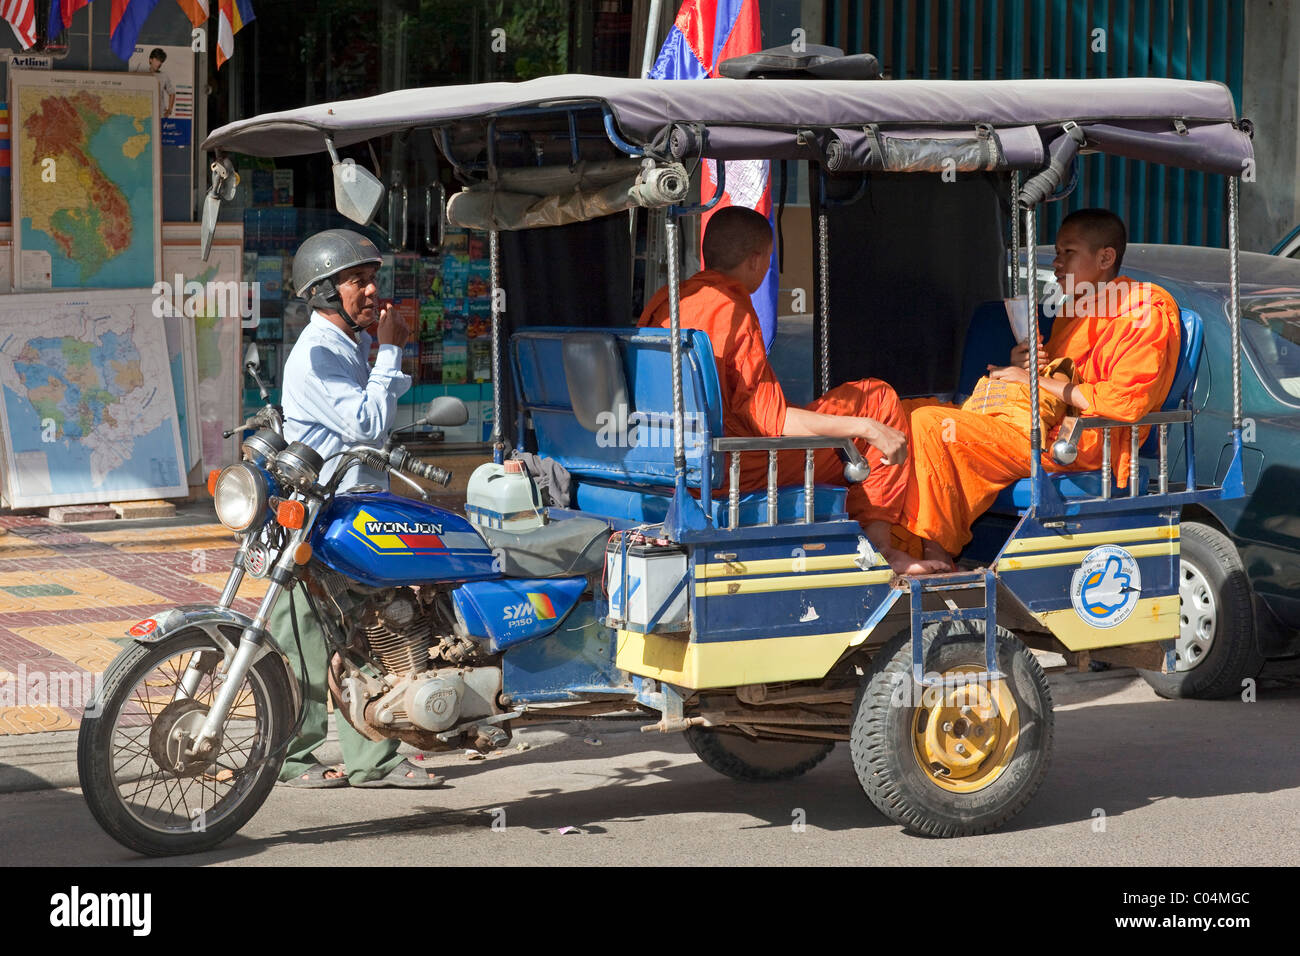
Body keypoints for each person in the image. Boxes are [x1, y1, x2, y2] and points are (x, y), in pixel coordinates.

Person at [639, 206, 944, 574]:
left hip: (674, 458)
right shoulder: (730, 306)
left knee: (850, 408)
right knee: (877, 399)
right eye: (768, 261)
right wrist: (865, 427)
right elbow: (775, 423)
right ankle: (882, 549)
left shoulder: (670, 298)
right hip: (734, 466)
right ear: (756, 261)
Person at [893, 208, 1182, 571]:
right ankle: (890, 546)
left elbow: (1123, 401)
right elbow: (1060, 381)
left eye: (1068, 253)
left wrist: (1032, 380)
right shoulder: (1075, 309)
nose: (1057, 264)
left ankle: (936, 553)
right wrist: (1026, 367)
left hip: (1076, 442)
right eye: (1057, 253)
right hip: (1034, 424)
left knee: (930, 424)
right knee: (898, 415)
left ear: (1106, 257)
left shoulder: (1143, 311)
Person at [274, 228, 442, 788]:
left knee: (363, 630)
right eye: (357, 282)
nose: (372, 292)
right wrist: (392, 347)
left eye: (373, 280)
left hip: (347, 509)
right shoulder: (319, 353)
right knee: (302, 640)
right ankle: (293, 758)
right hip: (316, 515)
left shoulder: (349, 344)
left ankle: (373, 757)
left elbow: (371, 427)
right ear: (325, 292)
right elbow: (368, 422)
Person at [147, 48, 174, 118]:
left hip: (160, 114)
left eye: (161, 61)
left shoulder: (163, 76)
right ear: (150, 60)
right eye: (157, 60)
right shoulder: (142, 74)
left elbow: (172, 93)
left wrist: (169, 110)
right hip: (145, 112)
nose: (159, 63)